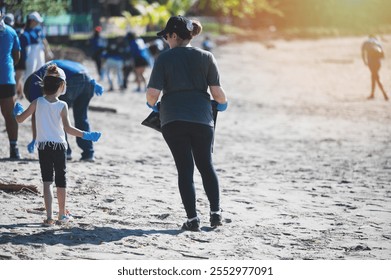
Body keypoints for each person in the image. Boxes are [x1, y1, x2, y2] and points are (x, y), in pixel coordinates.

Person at [146, 16, 228, 231]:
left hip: (173, 119)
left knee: (185, 169)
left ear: (174, 35)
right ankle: (216, 213)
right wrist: (222, 104)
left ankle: (192, 220)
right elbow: (217, 93)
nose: (165, 40)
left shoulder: (163, 59)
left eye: (166, 36)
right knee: (206, 165)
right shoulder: (206, 56)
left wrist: (152, 105)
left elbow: (152, 94)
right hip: (202, 118)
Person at [14, 64, 102, 226]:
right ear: (62, 86)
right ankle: (61, 215)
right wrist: (86, 135)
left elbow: (20, 120)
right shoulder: (62, 105)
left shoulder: (37, 102)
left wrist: (17, 111)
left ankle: (49, 217)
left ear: (44, 84)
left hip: (43, 147)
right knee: (61, 182)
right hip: (60, 147)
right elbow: (68, 129)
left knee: (47, 182)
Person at [24, 60, 104, 161]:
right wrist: (93, 83)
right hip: (88, 79)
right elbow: (79, 71)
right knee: (82, 117)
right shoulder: (51, 65)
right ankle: (88, 153)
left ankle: (65, 152)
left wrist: (34, 138)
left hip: (72, 81)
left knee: (59, 117)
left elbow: (35, 113)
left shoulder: (33, 85)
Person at [0, 10, 21, 159]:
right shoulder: (11, 32)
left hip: (6, 79)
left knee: (10, 115)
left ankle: (14, 147)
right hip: (6, 78)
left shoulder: (11, 32)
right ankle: (14, 148)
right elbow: (17, 56)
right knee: (10, 115)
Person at [18, 11, 53, 95]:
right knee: (30, 70)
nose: (38, 23)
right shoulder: (25, 31)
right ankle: (26, 90)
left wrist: (48, 51)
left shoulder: (38, 29)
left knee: (42, 69)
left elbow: (44, 40)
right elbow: (25, 47)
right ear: (32, 20)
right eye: (36, 21)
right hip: (31, 52)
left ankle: (40, 89)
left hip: (39, 50)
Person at [361, 35, 389, 101]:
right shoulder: (378, 42)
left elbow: (363, 53)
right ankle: (372, 94)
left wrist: (365, 61)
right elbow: (383, 56)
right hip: (378, 63)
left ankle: (384, 93)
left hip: (371, 63)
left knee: (376, 77)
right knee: (373, 76)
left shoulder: (366, 42)